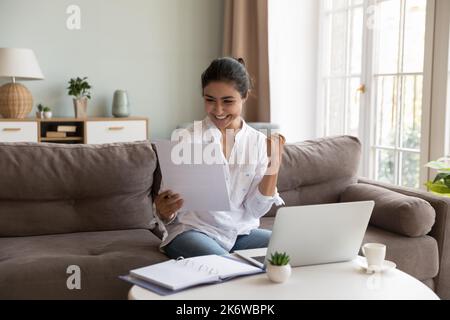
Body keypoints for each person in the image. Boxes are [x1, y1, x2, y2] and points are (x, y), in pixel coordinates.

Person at [155, 57, 285, 259]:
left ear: (244, 96)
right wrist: (165, 211)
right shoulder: (187, 139)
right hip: (193, 233)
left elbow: (255, 210)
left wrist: (273, 163)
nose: (218, 110)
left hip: (240, 235)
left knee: (287, 248)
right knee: (225, 264)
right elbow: (169, 215)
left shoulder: (258, 142)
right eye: (210, 100)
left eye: (227, 101)